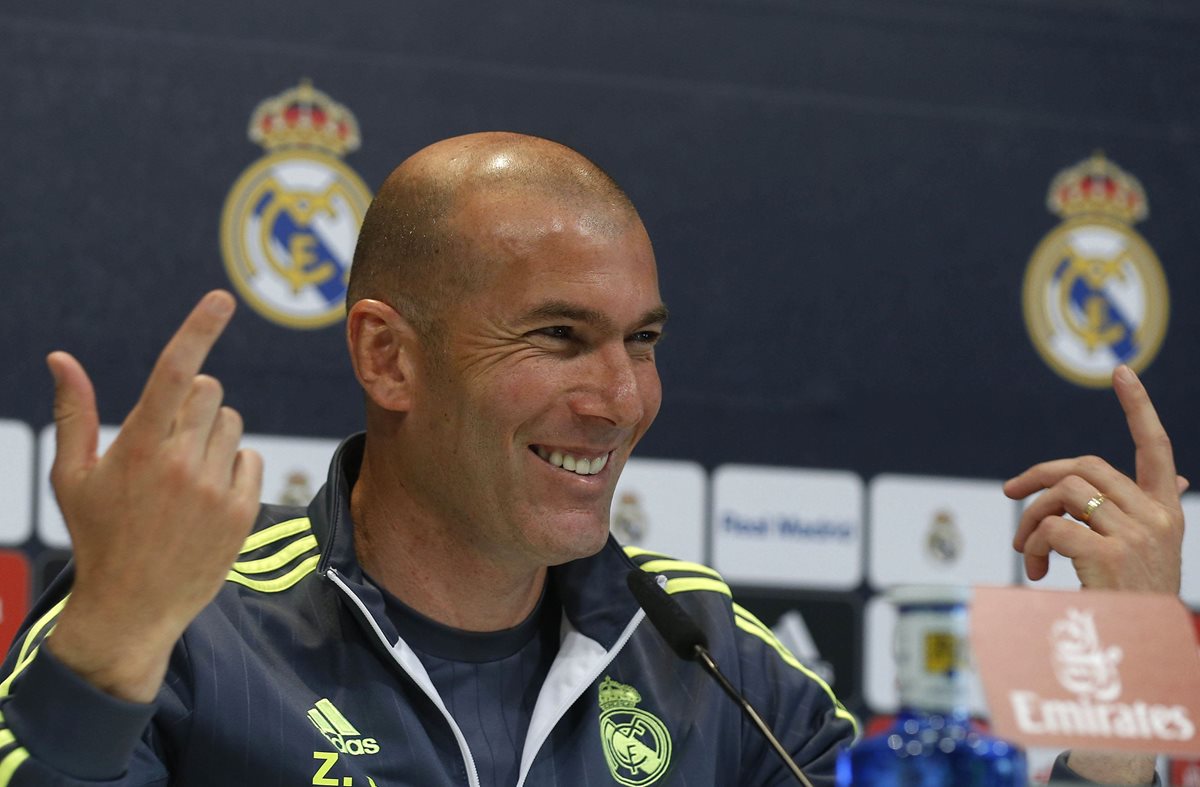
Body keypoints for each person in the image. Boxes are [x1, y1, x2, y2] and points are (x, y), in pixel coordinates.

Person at [0, 132, 1184, 786]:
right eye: (559, 336)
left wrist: (1125, 702)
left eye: (643, 343)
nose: (619, 398)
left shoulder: (719, 668)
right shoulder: (182, 634)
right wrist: (108, 653)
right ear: (387, 356)